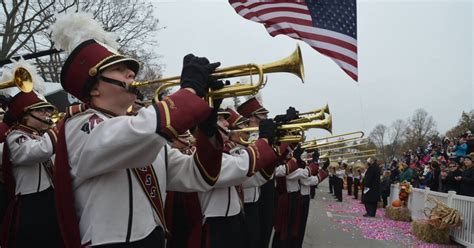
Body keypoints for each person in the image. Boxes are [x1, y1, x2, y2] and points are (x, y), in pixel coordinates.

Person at [50, 12, 226, 247]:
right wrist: (190, 92)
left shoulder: (144, 132)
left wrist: (207, 127)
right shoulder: (80, 125)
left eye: (130, 69)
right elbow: (135, 133)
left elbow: (199, 175)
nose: (132, 74)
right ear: (94, 89)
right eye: (119, 69)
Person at [1, 91, 63, 247]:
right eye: (40, 110)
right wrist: (59, 126)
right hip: (31, 202)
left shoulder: (39, 135)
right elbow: (40, 152)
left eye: (47, 110)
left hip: (48, 195)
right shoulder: (15, 137)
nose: (46, 114)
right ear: (26, 115)